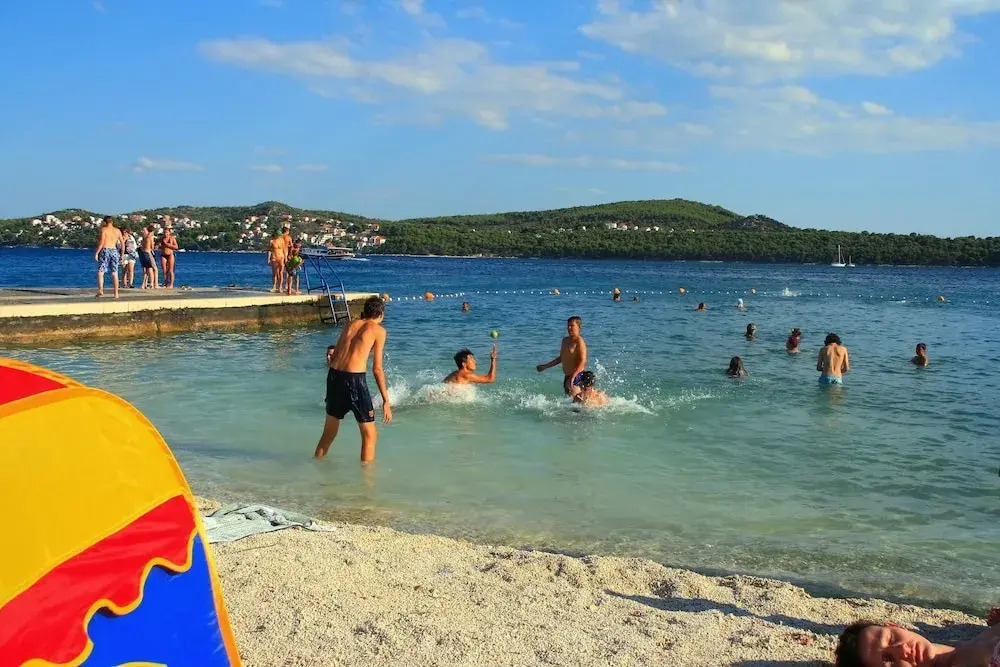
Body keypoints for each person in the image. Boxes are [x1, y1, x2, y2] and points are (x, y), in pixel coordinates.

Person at [314, 296, 392, 462]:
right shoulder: (379, 331)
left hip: (334, 376)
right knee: (370, 435)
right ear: (381, 314)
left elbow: (336, 355)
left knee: (329, 433)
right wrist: (386, 400)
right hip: (354, 380)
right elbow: (377, 369)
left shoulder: (350, 324)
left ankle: (315, 465)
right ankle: (367, 477)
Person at [835, 620, 1000, 667]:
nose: (902, 649)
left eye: (891, 638)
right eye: (888, 660)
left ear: (895, 626)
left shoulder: (956, 646)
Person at [536, 316, 588, 397]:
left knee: (576, 403)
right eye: (568, 326)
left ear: (579, 326)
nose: (569, 328)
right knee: (570, 402)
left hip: (577, 377)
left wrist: (573, 376)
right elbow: (561, 358)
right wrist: (545, 366)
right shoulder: (565, 340)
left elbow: (583, 362)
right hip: (567, 377)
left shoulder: (579, 342)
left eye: (572, 325)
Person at [93, 216, 122, 298]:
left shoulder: (104, 229)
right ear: (112, 222)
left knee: (101, 271)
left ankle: (101, 290)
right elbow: (122, 243)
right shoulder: (117, 231)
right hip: (114, 250)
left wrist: (97, 252)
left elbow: (102, 242)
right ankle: (116, 294)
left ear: (105, 222)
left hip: (105, 249)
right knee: (115, 272)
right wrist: (122, 254)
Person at [159, 222, 179, 289]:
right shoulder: (162, 239)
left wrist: (167, 244)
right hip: (163, 255)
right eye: (164, 232)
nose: (165, 234)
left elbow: (176, 247)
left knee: (170, 270)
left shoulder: (172, 238)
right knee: (164, 270)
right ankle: (166, 282)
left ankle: (171, 284)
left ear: (169, 232)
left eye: (167, 232)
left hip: (170, 255)